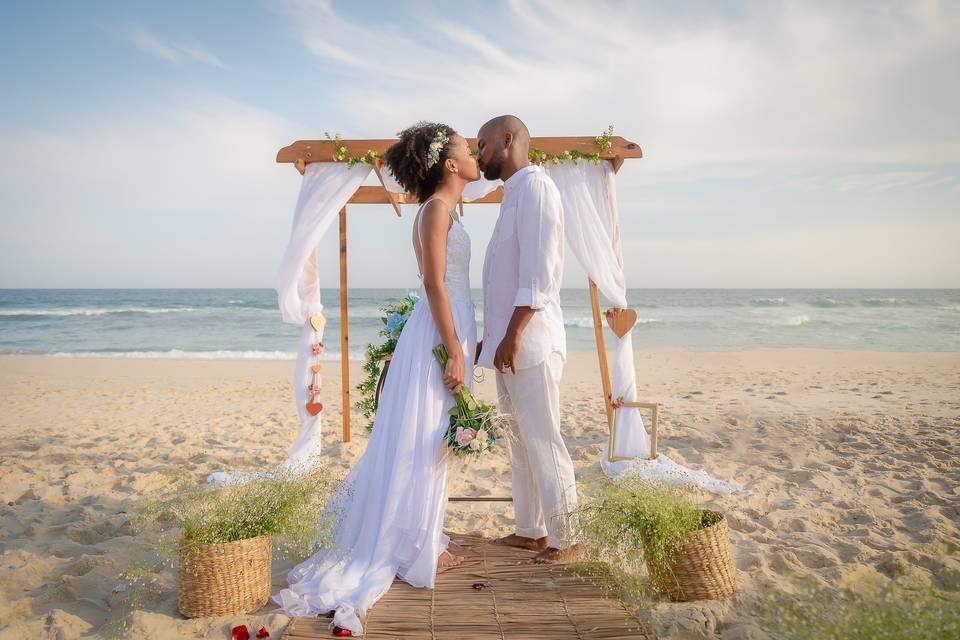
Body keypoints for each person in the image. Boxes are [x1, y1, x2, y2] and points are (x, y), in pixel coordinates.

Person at [272, 121, 480, 637]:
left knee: (434, 437)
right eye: (466, 148)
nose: (474, 153)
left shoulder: (448, 209)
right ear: (449, 164)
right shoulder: (434, 210)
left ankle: (422, 538)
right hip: (439, 330)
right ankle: (412, 545)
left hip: (450, 324)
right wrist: (454, 347)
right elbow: (434, 281)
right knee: (425, 436)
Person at [475, 115, 581, 564]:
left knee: (542, 438)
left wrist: (513, 335)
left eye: (481, 146)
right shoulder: (513, 194)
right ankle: (531, 530)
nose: (478, 155)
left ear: (508, 140)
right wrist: (493, 338)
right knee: (518, 439)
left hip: (529, 342)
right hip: (509, 343)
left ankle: (569, 539)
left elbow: (539, 273)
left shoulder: (537, 189)